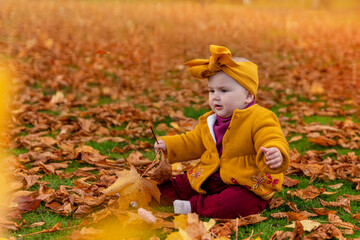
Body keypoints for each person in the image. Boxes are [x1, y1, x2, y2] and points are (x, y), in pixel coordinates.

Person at [154, 45, 289, 219]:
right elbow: (192, 142)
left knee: (234, 203)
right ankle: (150, 195)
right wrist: (169, 145)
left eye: (223, 91)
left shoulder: (260, 117)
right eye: (211, 91)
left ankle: (193, 206)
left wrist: (275, 152)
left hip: (245, 184)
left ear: (248, 96)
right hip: (210, 176)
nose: (215, 96)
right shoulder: (210, 121)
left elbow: (271, 136)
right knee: (180, 184)